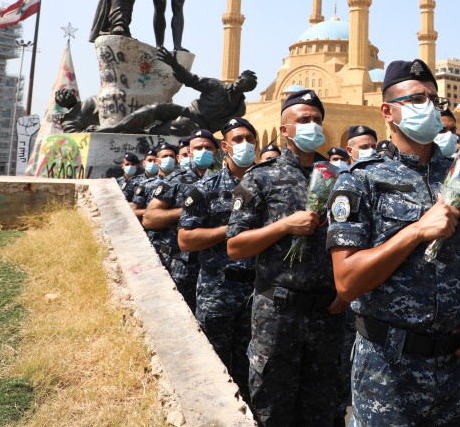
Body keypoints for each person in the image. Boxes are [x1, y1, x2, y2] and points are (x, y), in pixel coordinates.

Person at [328, 59, 460, 426]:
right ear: (388, 112)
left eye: (433, 100)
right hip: (389, 372)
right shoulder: (360, 183)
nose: (430, 107)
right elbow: (346, 280)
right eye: (417, 99)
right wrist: (416, 231)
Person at [227, 89, 346, 427]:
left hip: (327, 312)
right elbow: (235, 246)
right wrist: (284, 225)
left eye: (317, 121)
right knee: (273, 406)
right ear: (284, 130)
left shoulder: (339, 179)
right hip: (277, 313)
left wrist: (345, 289)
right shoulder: (260, 178)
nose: (312, 126)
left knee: (323, 406)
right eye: (303, 120)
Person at [178, 117, 258, 404]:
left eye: (250, 139)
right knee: (214, 365)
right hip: (218, 291)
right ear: (225, 146)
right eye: (238, 140)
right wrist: (230, 231)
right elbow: (186, 239)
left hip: (259, 293)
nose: (245, 144)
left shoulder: (270, 185)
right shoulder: (206, 187)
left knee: (254, 367)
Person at [98, 47, 258, 136]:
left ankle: (143, 134)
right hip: (190, 112)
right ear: (237, 78)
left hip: (200, 128)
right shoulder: (216, 86)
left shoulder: (239, 109)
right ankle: (115, 128)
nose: (240, 84)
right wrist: (174, 64)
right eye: (241, 80)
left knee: (180, 125)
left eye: (246, 85)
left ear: (247, 89)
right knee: (157, 108)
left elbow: (225, 129)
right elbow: (190, 79)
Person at [143, 129, 219, 308]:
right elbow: (149, 218)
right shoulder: (175, 180)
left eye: (208, 147)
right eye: (198, 147)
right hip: (180, 265)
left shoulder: (222, 180)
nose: (203, 151)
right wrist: (187, 211)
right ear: (190, 152)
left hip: (213, 269)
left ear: (215, 152)